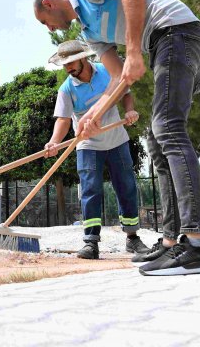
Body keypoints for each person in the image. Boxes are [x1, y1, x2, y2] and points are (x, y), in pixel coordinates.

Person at [34, 0, 200, 276]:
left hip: (177, 32)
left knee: (167, 129)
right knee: (157, 143)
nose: (49, 28)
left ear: (49, 3)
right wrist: (94, 116)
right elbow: (118, 78)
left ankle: (198, 246)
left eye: (44, 21)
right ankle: (172, 239)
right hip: (163, 42)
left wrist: (134, 51)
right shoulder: (89, 34)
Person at [44, 40, 150, 260]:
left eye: (71, 63)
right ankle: (91, 242)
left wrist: (130, 111)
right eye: (64, 65)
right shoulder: (66, 89)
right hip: (88, 145)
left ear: (83, 58)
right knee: (90, 190)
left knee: (126, 187)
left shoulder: (107, 71)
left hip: (117, 140)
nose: (68, 68)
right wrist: (54, 141)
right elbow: (63, 120)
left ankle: (132, 238)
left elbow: (125, 93)